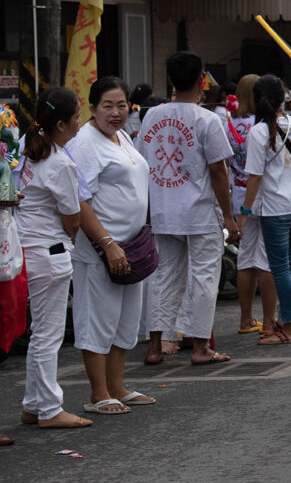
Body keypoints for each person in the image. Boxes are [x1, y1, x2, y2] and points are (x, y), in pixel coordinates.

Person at [142, 52, 237, 365]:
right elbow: (218, 171)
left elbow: (144, 163)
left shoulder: (152, 116)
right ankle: (199, 347)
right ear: (201, 81)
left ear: (169, 80)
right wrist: (228, 215)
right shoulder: (207, 120)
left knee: (164, 276)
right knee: (204, 277)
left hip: (162, 210)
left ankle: (155, 345)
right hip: (198, 213)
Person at [68, 77, 155, 415]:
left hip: (132, 246)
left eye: (121, 105)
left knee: (125, 319)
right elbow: (80, 201)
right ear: (92, 108)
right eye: (108, 106)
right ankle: (98, 392)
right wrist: (107, 243)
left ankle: (117, 385)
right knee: (98, 317)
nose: (116, 113)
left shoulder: (121, 136)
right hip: (101, 249)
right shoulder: (84, 143)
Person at [17, 87, 92, 428]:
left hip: (24, 250)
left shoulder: (24, 146)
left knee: (39, 334)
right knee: (48, 336)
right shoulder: (60, 162)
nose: (80, 123)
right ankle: (49, 408)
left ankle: (34, 405)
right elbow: (72, 217)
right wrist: (71, 236)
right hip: (50, 252)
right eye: (76, 117)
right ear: (61, 123)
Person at [239, 75, 291, 344]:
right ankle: (286, 320)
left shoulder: (257, 132)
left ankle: (290, 327)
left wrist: (244, 212)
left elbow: (255, 177)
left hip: (274, 208)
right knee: (288, 263)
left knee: (280, 266)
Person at [227, 74, 279, 336]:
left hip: (237, 194)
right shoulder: (262, 125)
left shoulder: (230, 122)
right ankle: (270, 321)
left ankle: (246, 318)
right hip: (261, 199)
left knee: (245, 259)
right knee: (267, 260)